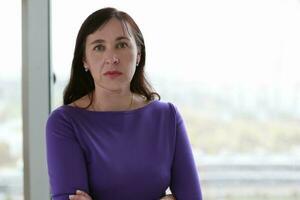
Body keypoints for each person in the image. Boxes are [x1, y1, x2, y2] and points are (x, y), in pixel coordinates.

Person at [46, 7, 202, 200]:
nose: (112, 58)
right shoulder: (64, 122)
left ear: (138, 55)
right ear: (84, 60)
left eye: (121, 45)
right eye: (99, 47)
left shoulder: (167, 116)